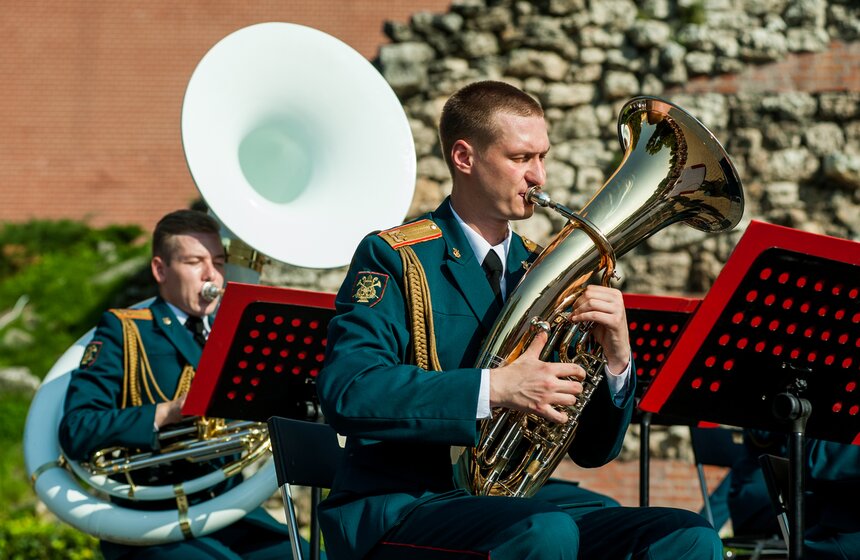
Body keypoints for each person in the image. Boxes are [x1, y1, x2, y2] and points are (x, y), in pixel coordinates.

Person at [316, 81, 722, 559]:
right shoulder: (395, 257)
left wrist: (616, 361)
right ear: (464, 158)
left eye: (542, 157)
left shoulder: (543, 269)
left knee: (685, 536)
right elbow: (350, 392)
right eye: (520, 158)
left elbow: (594, 452)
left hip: (513, 500)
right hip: (406, 502)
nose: (539, 176)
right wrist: (497, 389)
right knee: (545, 531)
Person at [59, 209, 313, 560]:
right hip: (152, 521)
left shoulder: (241, 332)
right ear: (160, 270)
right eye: (195, 262)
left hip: (230, 512)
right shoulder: (126, 331)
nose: (212, 275)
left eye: (219, 262)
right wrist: (166, 412)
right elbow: (76, 428)